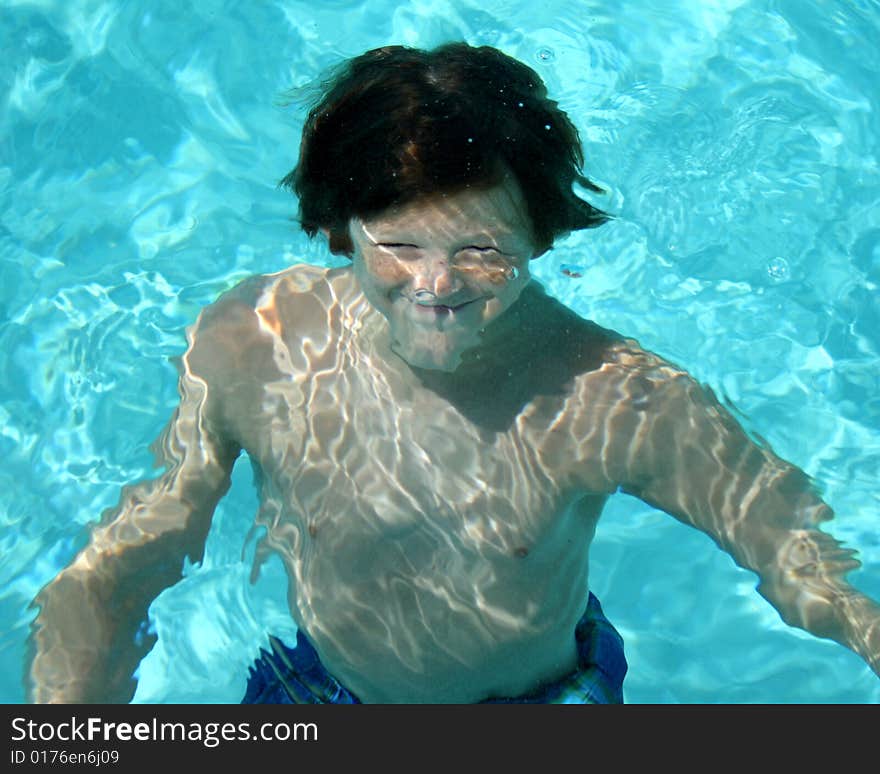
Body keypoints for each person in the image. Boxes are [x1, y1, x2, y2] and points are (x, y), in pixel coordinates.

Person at [27, 42, 880, 704]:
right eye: (398, 245)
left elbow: (794, 551)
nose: (436, 286)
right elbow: (134, 555)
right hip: (318, 689)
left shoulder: (612, 396)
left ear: (540, 238)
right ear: (338, 227)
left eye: (482, 251)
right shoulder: (252, 345)